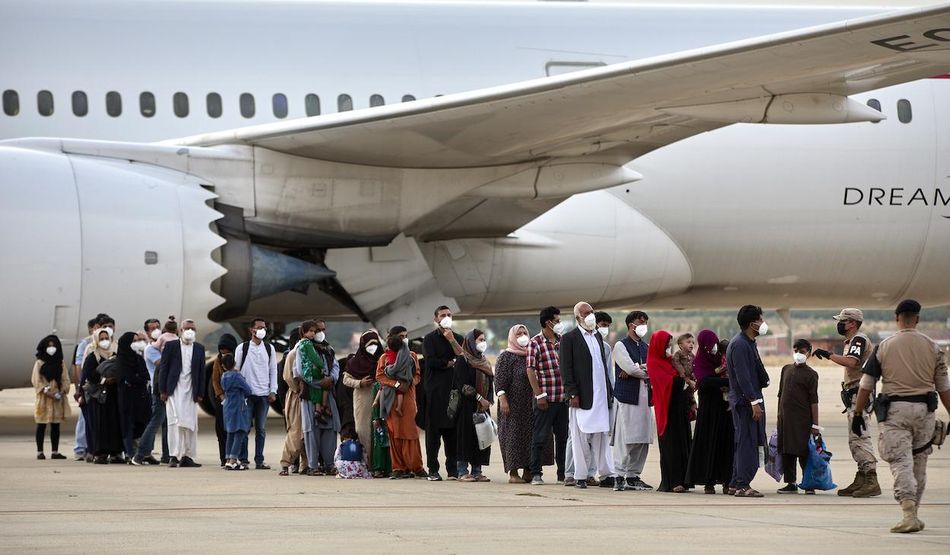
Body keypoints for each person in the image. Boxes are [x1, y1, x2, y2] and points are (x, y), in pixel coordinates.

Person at [853, 299, 950, 533]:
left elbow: (866, 384)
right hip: (925, 412)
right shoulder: (933, 347)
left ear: (897, 318)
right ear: (917, 319)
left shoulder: (884, 346)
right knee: (919, 462)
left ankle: (907, 513)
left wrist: (858, 413)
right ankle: (914, 512)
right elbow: (944, 387)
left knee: (900, 461)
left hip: (895, 412)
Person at [814, 308, 880, 498]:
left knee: (860, 436)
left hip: (860, 393)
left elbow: (851, 362)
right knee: (855, 438)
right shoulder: (852, 341)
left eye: (842, 320)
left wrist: (828, 355)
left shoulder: (858, 340)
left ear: (852, 322)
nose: (840, 324)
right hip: (855, 393)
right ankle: (862, 476)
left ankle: (871, 478)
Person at [561, 302, 616, 490]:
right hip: (582, 397)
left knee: (602, 436)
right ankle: (581, 476)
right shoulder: (570, 338)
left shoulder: (598, 337)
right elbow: (566, 369)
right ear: (578, 318)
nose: (590, 315)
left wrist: (609, 392)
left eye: (591, 312)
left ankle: (607, 474)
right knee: (580, 437)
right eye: (586, 313)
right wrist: (572, 393)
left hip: (601, 396)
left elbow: (602, 367)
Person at [496, 324, 553, 483]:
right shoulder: (506, 357)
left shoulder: (531, 352)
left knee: (531, 437)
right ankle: (513, 473)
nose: (522, 336)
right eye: (519, 333)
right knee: (513, 436)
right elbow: (500, 382)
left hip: (531, 404)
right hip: (513, 404)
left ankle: (529, 470)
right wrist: (503, 400)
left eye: (524, 333)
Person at [726, 305, 769, 498]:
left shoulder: (749, 342)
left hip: (750, 399)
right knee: (747, 442)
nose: (762, 323)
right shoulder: (740, 345)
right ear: (752, 323)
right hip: (746, 402)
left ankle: (735, 483)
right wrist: (753, 402)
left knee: (746, 441)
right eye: (760, 320)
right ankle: (743, 484)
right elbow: (742, 377)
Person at [685, 330, 733, 494]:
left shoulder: (721, 359)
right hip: (708, 412)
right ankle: (708, 482)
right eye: (710, 344)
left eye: (715, 344)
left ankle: (727, 481)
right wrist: (725, 380)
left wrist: (721, 380)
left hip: (724, 410)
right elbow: (704, 382)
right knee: (709, 446)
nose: (713, 348)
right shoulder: (700, 361)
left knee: (725, 446)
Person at [611, 311, 655, 491]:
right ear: (631, 324)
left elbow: (653, 367)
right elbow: (630, 368)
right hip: (628, 398)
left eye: (645, 321)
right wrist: (641, 370)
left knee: (643, 438)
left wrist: (639, 369)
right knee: (626, 437)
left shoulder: (647, 347)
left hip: (645, 398)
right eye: (640, 321)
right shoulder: (621, 346)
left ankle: (634, 475)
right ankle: (619, 475)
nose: (643, 324)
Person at [376, 327, 426, 479]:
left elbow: (417, 375)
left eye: (406, 336)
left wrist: (409, 383)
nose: (404, 339)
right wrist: (397, 385)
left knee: (410, 432)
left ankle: (416, 467)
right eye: (401, 336)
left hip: (408, 398)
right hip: (391, 399)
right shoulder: (384, 357)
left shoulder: (411, 356)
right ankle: (398, 467)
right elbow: (380, 377)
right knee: (394, 433)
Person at [527, 306, 569, 486]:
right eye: (557, 321)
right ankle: (536, 473)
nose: (559, 324)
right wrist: (539, 395)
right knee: (540, 437)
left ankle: (562, 474)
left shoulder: (563, 341)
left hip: (562, 398)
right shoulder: (535, 343)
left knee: (563, 438)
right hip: (546, 398)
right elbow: (530, 369)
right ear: (548, 322)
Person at [421, 305, 464, 481]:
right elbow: (430, 361)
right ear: (435, 319)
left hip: (453, 392)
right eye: (442, 315)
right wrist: (448, 363)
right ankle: (433, 469)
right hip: (434, 393)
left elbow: (462, 358)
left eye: (449, 315)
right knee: (433, 436)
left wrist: (452, 340)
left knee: (452, 434)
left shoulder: (459, 338)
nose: (446, 317)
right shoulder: (429, 339)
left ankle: (452, 470)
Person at [294, 320, 341, 475]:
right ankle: (313, 466)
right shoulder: (303, 348)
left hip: (328, 392)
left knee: (330, 429)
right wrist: (320, 383)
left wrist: (331, 379)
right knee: (311, 431)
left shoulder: (329, 349)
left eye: (322, 330)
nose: (319, 333)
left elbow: (335, 366)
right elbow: (300, 372)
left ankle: (329, 464)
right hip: (311, 394)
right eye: (317, 330)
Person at [648, 329, 691, 493]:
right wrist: (683, 381)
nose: (668, 347)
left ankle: (683, 480)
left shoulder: (669, 360)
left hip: (679, 407)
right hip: (667, 409)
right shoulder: (654, 362)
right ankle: (672, 481)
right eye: (666, 344)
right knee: (670, 445)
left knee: (681, 443)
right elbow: (667, 383)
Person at [159, 318, 206, 468]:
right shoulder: (171, 346)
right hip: (174, 392)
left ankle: (188, 456)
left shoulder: (199, 348)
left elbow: (201, 372)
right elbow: (163, 369)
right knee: (174, 423)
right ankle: (173, 455)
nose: (189, 331)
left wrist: (200, 393)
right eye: (187, 328)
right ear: (180, 330)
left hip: (191, 393)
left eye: (192, 328)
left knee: (191, 424)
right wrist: (163, 390)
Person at [776, 339, 820, 494]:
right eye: (796, 351)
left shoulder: (811, 375)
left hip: (802, 420)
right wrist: (779, 417)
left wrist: (815, 425)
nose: (798, 354)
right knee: (787, 451)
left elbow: (814, 401)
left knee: (803, 452)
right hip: (785, 419)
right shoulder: (785, 369)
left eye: (802, 352)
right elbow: (781, 395)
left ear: (808, 353)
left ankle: (809, 483)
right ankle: (791, 483)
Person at [234, 317, 278, 470]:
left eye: (264, 328)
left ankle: (259, 460)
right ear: (251, 330)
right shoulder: (242, 348)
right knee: (245, 428)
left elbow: (273, 370)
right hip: (247, 395)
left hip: (264, 395)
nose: (262, 331)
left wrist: (273, 390)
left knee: (261, 429)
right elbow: (236, 370)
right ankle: (243, 460)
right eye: (259, 327)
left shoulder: (269, 348)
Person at [132, 318, 177, 465]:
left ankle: (167, 454)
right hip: (157, 388)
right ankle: (141, 453)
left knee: (167, 423)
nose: (156, 330)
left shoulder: (162, 347)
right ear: (147, 332)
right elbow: (163, 364)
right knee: (156, 421)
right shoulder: (150, 349)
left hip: (168, 388)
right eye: (152, 328)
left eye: (158, 327)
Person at [453, 329, 494, 482]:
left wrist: (488, 400)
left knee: (482, 438)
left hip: (483, 406)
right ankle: (462, 471)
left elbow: (490, 382)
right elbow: (462, 385)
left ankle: (477, 470)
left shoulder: (484, 360)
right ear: (471, 342)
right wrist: (478, 398)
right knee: (466, 438)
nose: (483, 343)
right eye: (479, 340)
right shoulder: (463, 361)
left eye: (484, 339)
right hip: (467, 407)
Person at [342, 330, 382, 469]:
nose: (373, 347)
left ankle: (379, 465)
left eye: (375, 344)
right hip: (362, 398)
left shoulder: (382, 359)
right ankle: (367, 463)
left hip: (381, 398)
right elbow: (346, 380)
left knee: (379, 431)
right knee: (363, 430)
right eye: (369, 344)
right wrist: (360, 383)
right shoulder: (355, 362)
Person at [81, 327, 122, 464]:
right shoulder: (93, 356)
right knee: (100, 424)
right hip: (99, 397)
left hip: (113, 395)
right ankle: (100, 453)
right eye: (102, 338)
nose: (105, 341)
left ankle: (115, 452)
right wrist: (104, 380)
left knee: (114, 423)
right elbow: (88, 374)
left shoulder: (115, 354)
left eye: (107, 338)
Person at [32, 334, 70, 460]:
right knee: (41, 424)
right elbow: (36, 380)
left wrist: (62, 390)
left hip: (57, 398)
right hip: (44, 398)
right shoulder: (39, 363)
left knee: (55, 425)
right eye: (49, 346)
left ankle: (55, 451)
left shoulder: (60, 363)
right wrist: (46, 391)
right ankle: (40, 451)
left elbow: (65, 379)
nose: (51, 348)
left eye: (54, 346)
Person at [115, 332, 151, 463]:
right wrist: (137, 378)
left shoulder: (138, 358)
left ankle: (140, 453)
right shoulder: (121, 360)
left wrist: (136, 378)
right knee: (127, 426)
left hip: (139, 397)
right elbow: (127, 377)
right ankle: (129, 453)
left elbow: (145, 375)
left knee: (140, 424)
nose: (136, 343)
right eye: (133, 341)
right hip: (127, 399)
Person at [278, 327, 308, 476]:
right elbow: (287, 377)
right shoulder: (292, 354)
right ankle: (286, 463)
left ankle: (305, 464)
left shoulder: (309, 352)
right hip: (296, 396)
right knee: (296, 432)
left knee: (307, 432)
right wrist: (299, 389)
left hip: (307, 396)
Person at [209, 333, 238, 468]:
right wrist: (221, 396)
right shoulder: (218, 361)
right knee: (222, 430)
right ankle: (224, 458)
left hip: (235, 399)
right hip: (223, 401)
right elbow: (215, 380)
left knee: (237, 430)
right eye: (221, 350)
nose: (223, 352)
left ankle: (236, 456)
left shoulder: (237, 358)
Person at [221, 353, 252, 471]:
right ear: (234, 363)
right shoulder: (237, 376)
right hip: (238, 406)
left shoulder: (224, 376)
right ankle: (234, 459)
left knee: (230, 433)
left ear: (223, 366)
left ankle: (228, 458)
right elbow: (248, 390)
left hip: (228, 405)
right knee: (240, 432)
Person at [72, 317, 97, 461]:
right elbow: (78, 366)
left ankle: (92, 447)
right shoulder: (85, 344)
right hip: (87, 386)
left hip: (98, 387)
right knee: (84, 418)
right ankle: (80, 449)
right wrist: (79, 388)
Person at [671, 332, 698, 420]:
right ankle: (689, 411)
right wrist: (682, 373)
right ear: (681, 345)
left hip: (691, 379)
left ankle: (693, 411)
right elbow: (676, 362)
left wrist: (695, 376)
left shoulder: (692, 355)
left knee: (691, 394)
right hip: (683, 379)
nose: (691, 344)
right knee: (686, 396)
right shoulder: (678, 354)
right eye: (688, 342)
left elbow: (695, 366)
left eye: (693, 343)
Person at [370, 379, 392, 478]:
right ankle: (378, 469)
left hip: (390, 420)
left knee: (389, 446)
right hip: (380, 420)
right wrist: (376, 418)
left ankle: (389, 469)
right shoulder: (377, 385)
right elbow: (375, 404)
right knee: (379, 444)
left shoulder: (393, 382)